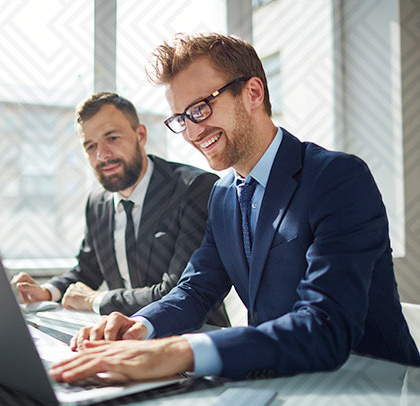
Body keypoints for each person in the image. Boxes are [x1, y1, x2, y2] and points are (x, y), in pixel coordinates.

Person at [50, 33, 420, 384]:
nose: (193, 133)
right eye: (181, 119)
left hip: (374, 384)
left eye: (200, 108)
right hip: (283, 378)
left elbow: (326, 326)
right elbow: (195, 289)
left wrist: (184, 350)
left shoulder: (337, 178)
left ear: (253, 92)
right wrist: (140, 327)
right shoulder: (223, 194)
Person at [12, 92, 229, 326]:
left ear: (141, 135)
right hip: (124, 340)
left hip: (193, 340)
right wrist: (46, 292)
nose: (102, 155)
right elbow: (87, 270)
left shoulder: (194, 188)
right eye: (91, 146)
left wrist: (98, 300)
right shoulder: (98, 202)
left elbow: (176, 292)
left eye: (112, 138)